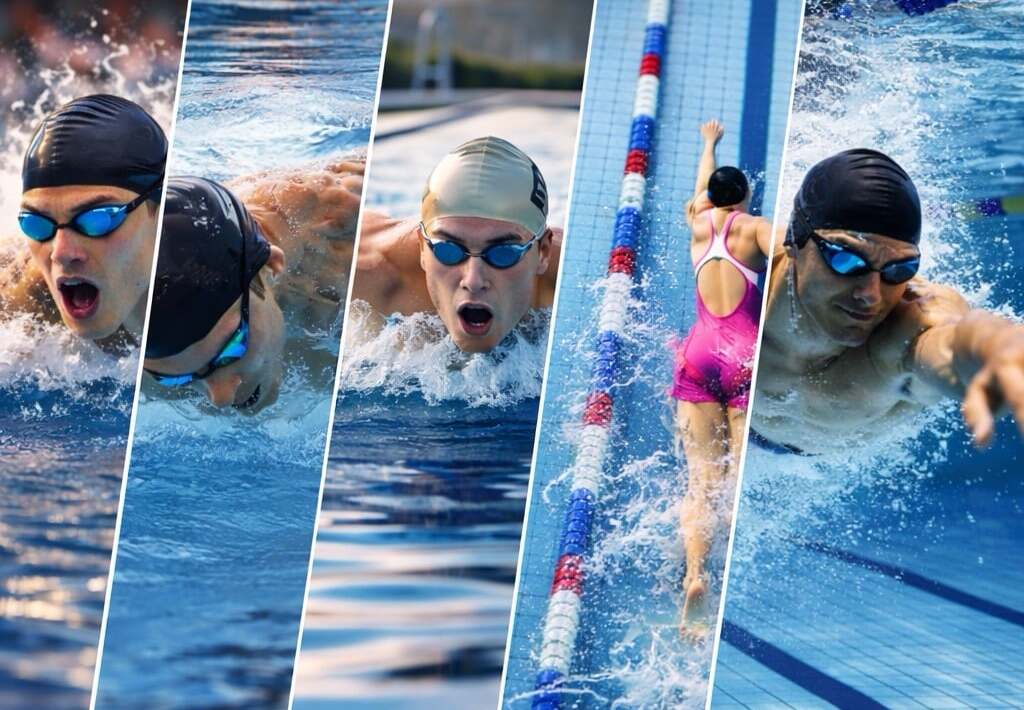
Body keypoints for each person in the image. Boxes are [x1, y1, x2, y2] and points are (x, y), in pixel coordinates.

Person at [753, 147, 1024, 455]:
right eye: (847, 260)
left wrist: (991, 350)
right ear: (794, 240)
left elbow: (948, 340)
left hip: (818, 456)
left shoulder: (910, 322)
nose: (871, 293)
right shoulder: (755, 279)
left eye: (899, 269)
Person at [142, 157, 363, 413]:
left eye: (232, 350)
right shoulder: (139, 347)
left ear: (269, 267)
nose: (220, 399)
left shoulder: (341, 240)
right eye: (176, 378)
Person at [672, 120, 773, 639]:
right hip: (743, 357)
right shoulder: (754, 228)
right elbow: (790, 253)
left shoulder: (697, 219)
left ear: (712, 198)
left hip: (697, 354)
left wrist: (708, 143)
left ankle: (695, 575)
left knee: (701, 479)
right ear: (746, 196)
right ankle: (730, 564)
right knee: (736, 478)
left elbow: (701, 187)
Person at [351, 136, 560, 353]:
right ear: (422, 247)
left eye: (503, 253)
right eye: (448, 250)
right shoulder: (367, 269)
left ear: (543, 252)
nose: (473, 281)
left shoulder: (570, 282)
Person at [0, 94, 166, 349]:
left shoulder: (212, 264)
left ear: (157, 208)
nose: (60, 253)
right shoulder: (21, 298)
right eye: (37, 224)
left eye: (97, 220)